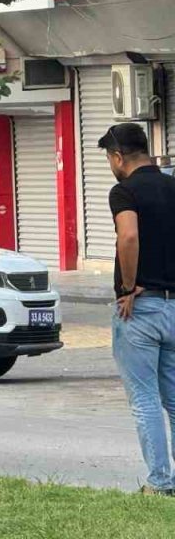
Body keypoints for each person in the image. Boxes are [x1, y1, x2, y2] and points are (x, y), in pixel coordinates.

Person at [98, 123, 175, 495]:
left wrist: (128, 287)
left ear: (118, 157)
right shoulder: (173, 185)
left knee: (145, 399)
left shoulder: (124, 190)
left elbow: (128, 235)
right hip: (174, 305)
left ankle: (160, 483)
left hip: (140, 309)